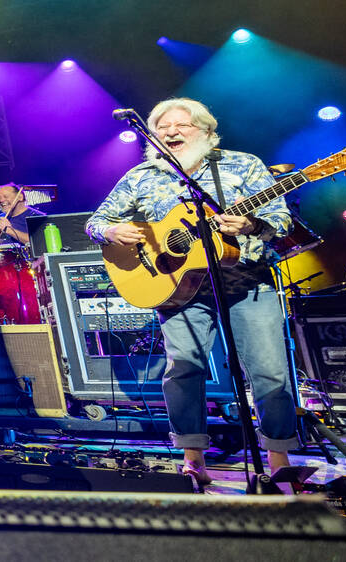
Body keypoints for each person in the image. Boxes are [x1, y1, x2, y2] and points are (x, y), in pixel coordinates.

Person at [86, 97, 296, 486]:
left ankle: (279, 456)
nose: (170, 132)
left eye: (181, 126)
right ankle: (193, 456)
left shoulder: (243, 164)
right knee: (183, 369)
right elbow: (97, 221)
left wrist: (249, 225)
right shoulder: (141, 176)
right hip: (178, 289)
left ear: (206, 132)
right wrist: (112, 231)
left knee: (270, 372)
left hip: (247, 282)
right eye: (163, 127)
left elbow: (280, 218)